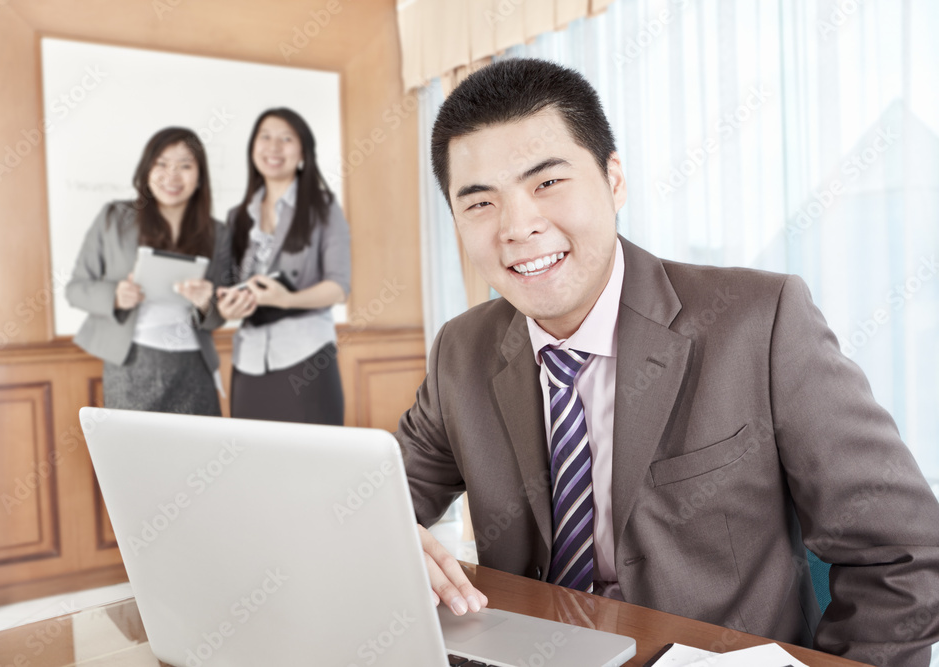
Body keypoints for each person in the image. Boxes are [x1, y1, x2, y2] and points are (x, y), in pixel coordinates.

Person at [397, 58, 939, 665]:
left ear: (614, 180)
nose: (519, 226)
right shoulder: (460, 351)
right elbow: (380, 502)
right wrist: (383, 544)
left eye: (547, 183)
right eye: (480, 203)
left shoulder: (760, 322)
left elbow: (904, 553)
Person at [66, 127, 228, 416]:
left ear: (200, 176)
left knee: (197, 456)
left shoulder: (218, 233)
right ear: (147, 168)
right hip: (131, 361)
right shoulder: (114, 218)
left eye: (185, 166)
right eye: (162, 164)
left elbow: (217, 316)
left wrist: (205, 302)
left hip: (194, 365)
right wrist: (115, 296)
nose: (172, 175)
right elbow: (76, 289)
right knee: (134, 458)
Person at [215, 108, 351, 424]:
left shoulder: (323, 208)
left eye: (286, 139)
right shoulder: (238, 217)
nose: (274, 147)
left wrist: (286, 300)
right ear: (253, 148)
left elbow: (338, 288)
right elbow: (229, 283)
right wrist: (229, 306)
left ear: (303, 151)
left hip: (306, 357)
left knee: (312, 462)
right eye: (265, 137)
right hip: (248, 361)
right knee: (253, 464)